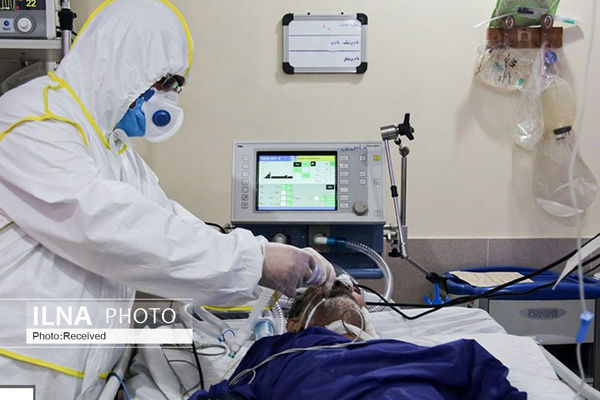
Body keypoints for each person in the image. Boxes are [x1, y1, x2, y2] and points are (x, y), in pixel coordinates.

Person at [0, 0, 334, 398]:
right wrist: (255, 262)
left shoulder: (115, 151)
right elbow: (115, 229)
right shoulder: (33, 121)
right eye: (165, 82)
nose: (170, 97)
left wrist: (263, 252)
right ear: (123, 61)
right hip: (18, 372)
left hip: (78, 374)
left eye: (177, 86)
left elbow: (168, 221)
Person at [190, 279, 527, 400]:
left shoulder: (412, 353)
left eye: (349, 291)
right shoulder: (276, 352)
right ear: (293, 323)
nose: (338, 286)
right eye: (320, 292)